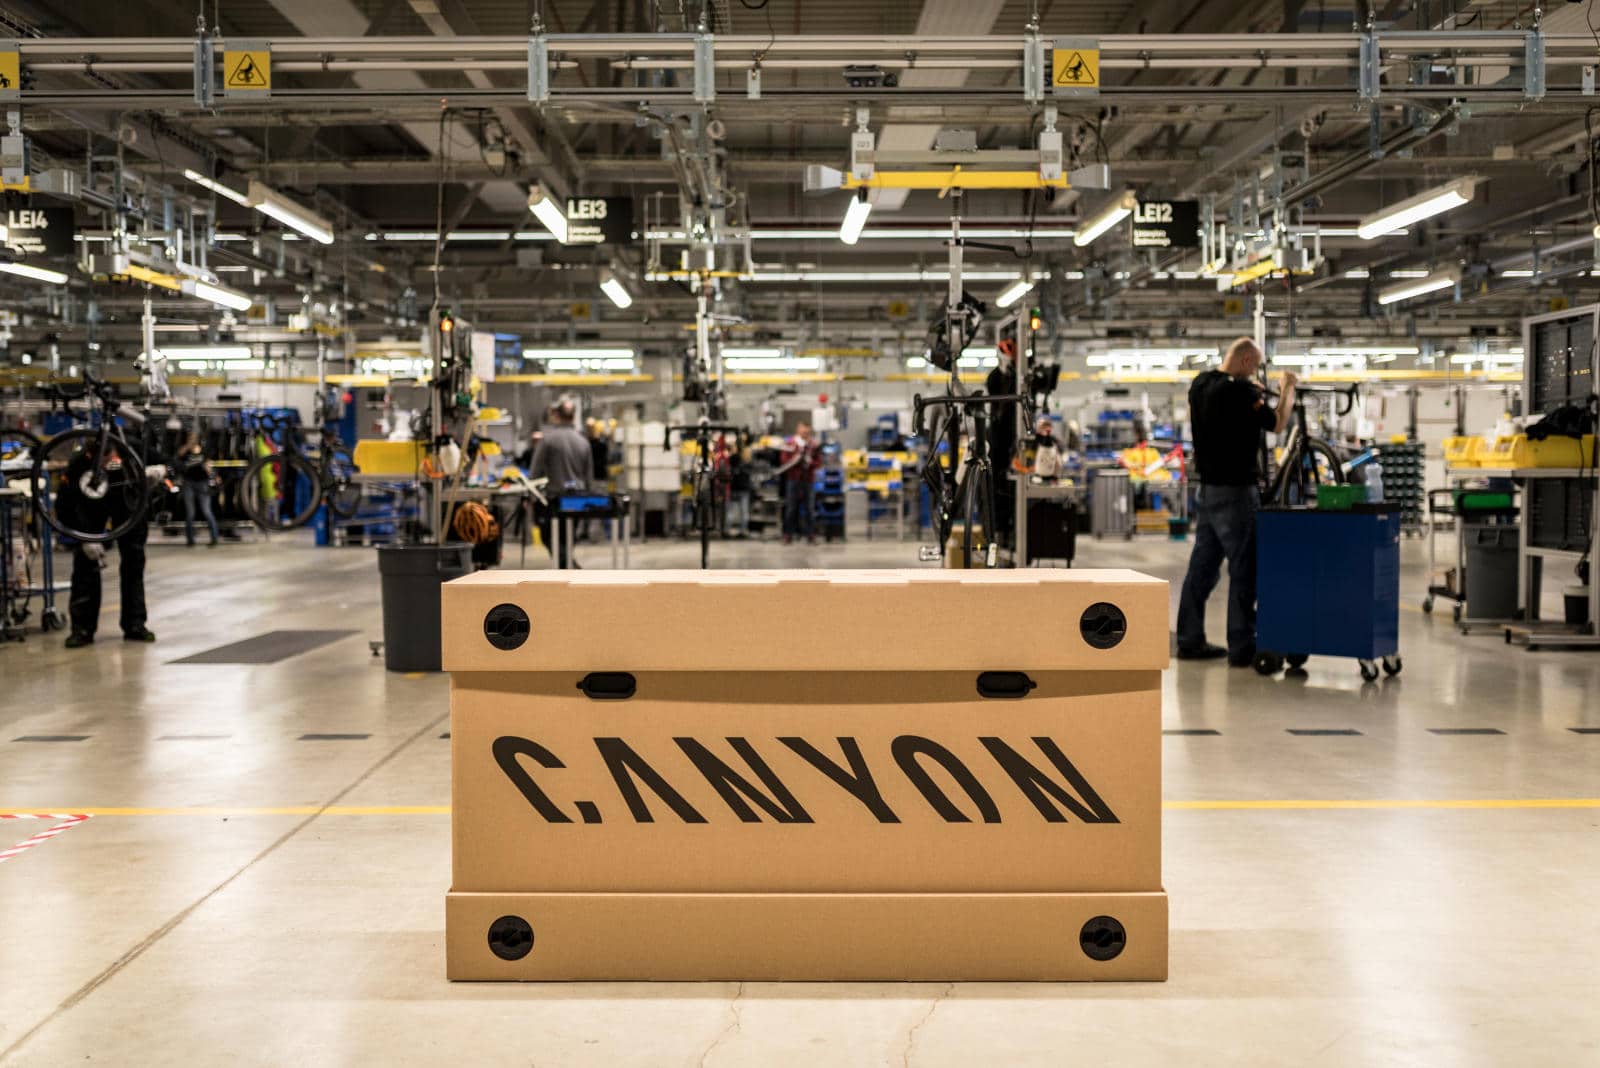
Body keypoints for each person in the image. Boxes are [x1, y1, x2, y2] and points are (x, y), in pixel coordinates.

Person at [1175, 337, 1297, 666]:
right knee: (1244, 570)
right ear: (1245, 362)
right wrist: (1288, 389)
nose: (1256, 372)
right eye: (1254, 366)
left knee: (1201, 568)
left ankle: (1188, 639)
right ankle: (1242, 647)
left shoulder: (1201, 384)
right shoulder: (1242, 391)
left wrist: (1250, 391)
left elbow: (1224, 403)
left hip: (1208, 490)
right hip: (1237, 493)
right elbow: (1278, 422)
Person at [61, 444, 156, 648]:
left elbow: (171, 462)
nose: (107, 463)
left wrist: (161, 471)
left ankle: (135, 624)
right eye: (102, 460)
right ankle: (82, 629)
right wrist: (82, 537)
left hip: (129, 511)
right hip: (91, 514)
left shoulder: (130, 448)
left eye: (110, 458)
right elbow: (64, 505)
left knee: (134, 562)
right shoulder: (79, 463)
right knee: (85, 566)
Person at [529, 398, 592, 567]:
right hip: (578, 500)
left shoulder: (548, 440)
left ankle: (573, 570)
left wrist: (529, 497)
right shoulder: (583, 442)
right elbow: (588, 477)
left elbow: (534, 473)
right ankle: (569, 573)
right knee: (567, 541)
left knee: (550, 538)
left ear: (556, 415)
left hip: (555, 501)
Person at [986, 338, 1020, 546]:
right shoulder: (994, 378)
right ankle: (999, 531)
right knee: (998, 487)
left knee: (1013, 488)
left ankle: (1010, 531)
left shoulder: (1018, 377)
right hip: (999, 439)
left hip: (1013, 438)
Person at [779, 422, 822, 545]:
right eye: (803, 431)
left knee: (809, 508)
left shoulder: (813, 445)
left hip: (808, 480)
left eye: (807, 432)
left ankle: (810, 535)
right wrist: (795, 460)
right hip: (793, 479)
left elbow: (819, 462)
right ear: (798, 430)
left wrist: (810, 463)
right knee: (791, 508)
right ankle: (788, 535)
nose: (805, 434)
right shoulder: (790, 443)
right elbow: (783, 460)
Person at [175, 433, 220, 547]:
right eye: (190, 438)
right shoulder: (185, 451)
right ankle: (190, 540)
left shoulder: (204, 451)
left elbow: (210, 465)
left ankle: (214, 538)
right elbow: (177, 456)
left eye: (194, 438)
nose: (192, 440)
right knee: (190, 513)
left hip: (202, 483)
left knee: (207, 511)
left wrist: (213, 474)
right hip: (188, 483)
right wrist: (187, 446)